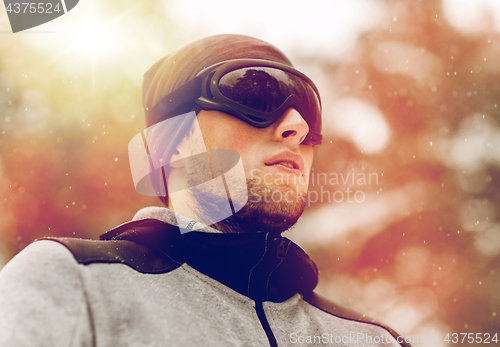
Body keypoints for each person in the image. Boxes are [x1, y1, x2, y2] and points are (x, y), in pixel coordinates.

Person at [0, 34, 409, 347]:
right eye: (256, 93)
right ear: (171, 142)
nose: (296, 127)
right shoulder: (74, 283)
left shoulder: (372, 341)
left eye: (309, 112)